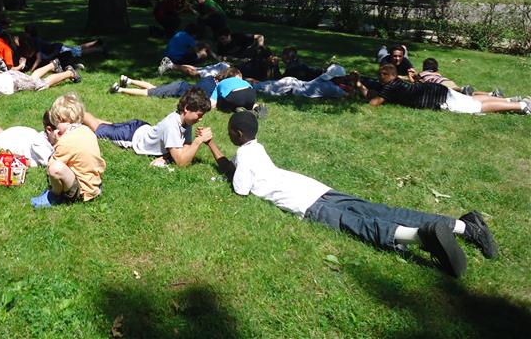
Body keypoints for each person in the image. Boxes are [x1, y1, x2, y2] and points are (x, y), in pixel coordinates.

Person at [203, 110, 498, 278]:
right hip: (317, 189)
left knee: (360, 226)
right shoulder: (256, 149)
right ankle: (466, 226)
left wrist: (217, 153)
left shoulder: (244, 156)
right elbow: (235, 166)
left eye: (228, 132)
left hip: (306, 204)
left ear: (237, 135)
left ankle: (425, 238)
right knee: (382, 211)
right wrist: (213, 146)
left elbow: (240, 189)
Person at [83, 88, 213, 167]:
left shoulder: (185, 121)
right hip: (130, 137)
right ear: (187, 109)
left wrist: (166, 157)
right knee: (97, 128)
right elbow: (181, 163)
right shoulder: (172, 126)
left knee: (109, 127)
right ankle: (75, 113)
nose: (200, 119)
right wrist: (198, 141)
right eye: (199, 115)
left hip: (140, 128)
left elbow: (185, 146)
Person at [352, 64, 530, 115]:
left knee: (476, 108)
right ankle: (510, 100)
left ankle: (521, 106)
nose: (377, 78)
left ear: (385, 75)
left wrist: (359, 85)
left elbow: (374, 103)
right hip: (437, 90)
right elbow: (377, 96)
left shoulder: (390, 87)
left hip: (438, 98)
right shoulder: (396, 83)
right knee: (472, 101)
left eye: (379, 75)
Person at [31, 93, 106, 208]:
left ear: (60, 119)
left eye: (56, 123)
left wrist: (56, 143)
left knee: (55, 169)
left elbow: (50, 167)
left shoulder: (65, 141)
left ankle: (54, 196)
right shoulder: (87, 130)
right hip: (95, 182)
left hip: (83, 190)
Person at [411, 58, 502, 97]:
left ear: (424, 67)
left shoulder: (422, 74)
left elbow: (414, 81)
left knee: (456, 90)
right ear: (436, 68)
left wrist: (411, 76)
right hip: (446, 80)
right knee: (469, 94)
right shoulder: (437, 73)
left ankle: (462, 89)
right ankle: (491, 94)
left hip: (439, 84)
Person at [252, 64, 351, 100]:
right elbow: (350, 96)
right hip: (289, 89)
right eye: (342, 78)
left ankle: (241, 81)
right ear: (336, 78)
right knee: (256, 88)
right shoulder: (333, 88)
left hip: (292, 82)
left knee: (259, 85)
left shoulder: (322, 78)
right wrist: (357, 82)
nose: (343, 80)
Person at [109, 73, 217, 100]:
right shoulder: (216, 89)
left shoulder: (210, 78)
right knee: (149, 93)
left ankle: (128, 80)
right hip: (178, 88)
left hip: (180, 85)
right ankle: (119, 89)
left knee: (154, 88)